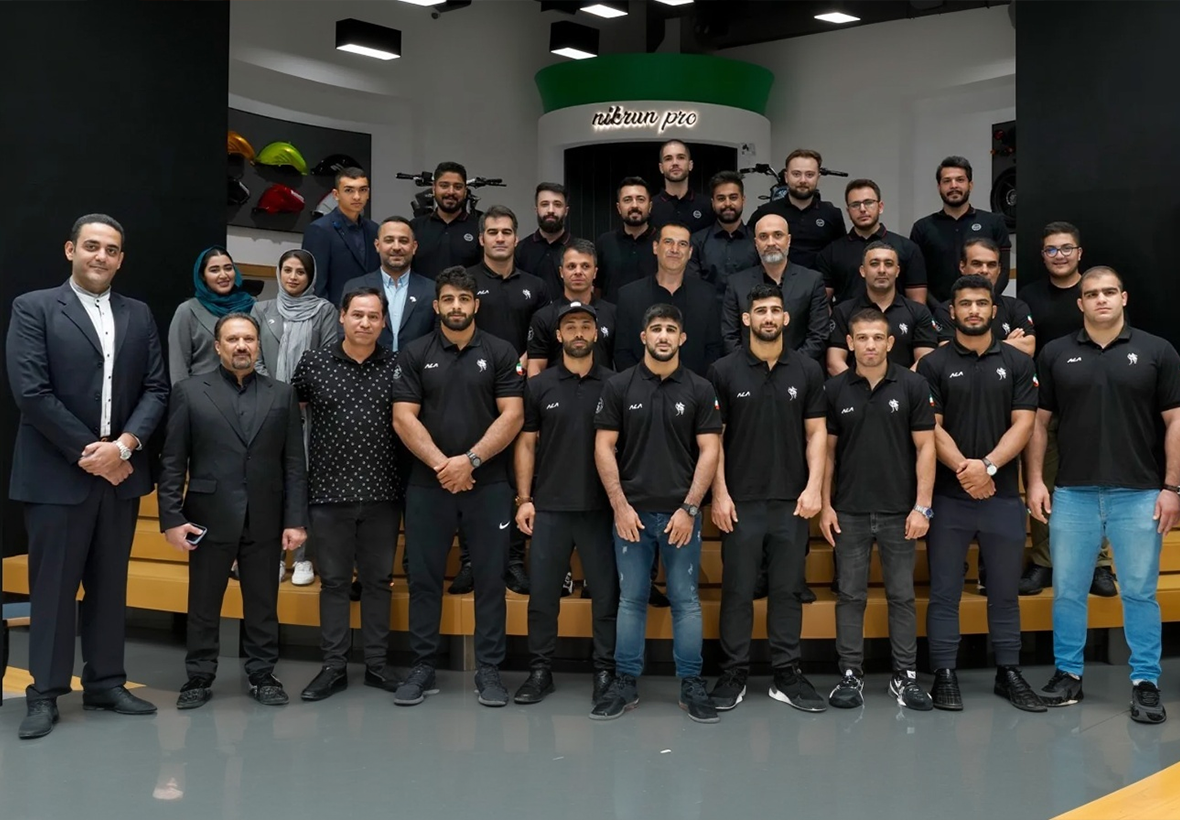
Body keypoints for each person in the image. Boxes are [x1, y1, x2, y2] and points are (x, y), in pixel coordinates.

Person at [8, 214, 169, 740]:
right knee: (53, 589)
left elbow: (156, 388)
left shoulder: (138, 314)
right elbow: (32, 392)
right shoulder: (34, 308)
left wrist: (123, 447)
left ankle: (105, 682)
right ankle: (45, 692)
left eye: (112, 249)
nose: (101, 256)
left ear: (121, 259)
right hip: (56, 475)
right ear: (70, 250)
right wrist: (93, 452)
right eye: (92, 246)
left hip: (120, 474)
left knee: (109, 584)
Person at [1028, 266, 1180, 725]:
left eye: (1109, 292)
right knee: (1068, 592)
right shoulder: (1056, 353)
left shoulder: (1157, 351)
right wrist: (1035, 481)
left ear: (1123, 297)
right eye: (1091, 293)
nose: (1101, 299)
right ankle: (1068, 674)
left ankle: (1145, 681)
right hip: (1072, 492)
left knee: (1139, 593)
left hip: (1139, 493)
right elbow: (1038, 423)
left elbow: (1175, 420)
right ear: (1080, 303)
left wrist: (1172, 487)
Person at [158, 313, 308, 709]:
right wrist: (171, 517)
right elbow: (173, 460)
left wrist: (295, 519)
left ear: (258, 345)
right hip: (207, 516)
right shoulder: (190, 392)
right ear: (217, 346)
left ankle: (262, 674)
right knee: (203, 604)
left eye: (249, 339)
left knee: (263, 603)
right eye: (233, 339)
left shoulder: (282, 394)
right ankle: (198, 676)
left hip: (266, 515)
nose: (242, 346)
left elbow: (294, 462)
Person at [391, 267, 525, 708]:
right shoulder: (415, 352)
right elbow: (403, 418)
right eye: (448, 299)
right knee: (424, 579)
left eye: (464, 299)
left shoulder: (501, 351)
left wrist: (470, 461)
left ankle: (489, 669)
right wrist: (442, 465)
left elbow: (513, 415)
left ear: (475, 305)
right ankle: (423, 666)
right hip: (428, 485)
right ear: (436, 305)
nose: (456, 307)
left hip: (489, 485)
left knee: (490, 579)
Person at [916, 274, 1044, 712]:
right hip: (948, 498)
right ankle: (944, 673)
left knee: (1004, 592)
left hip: (1002, 496)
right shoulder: (932, 365)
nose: (974, 310)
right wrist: (966, 470)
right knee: (945, 592)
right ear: (951, 312)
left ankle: (1009, 672)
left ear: (994, 310)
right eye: (965, 303)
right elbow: (930, 428)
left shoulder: (1018, 362)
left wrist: (986, 467)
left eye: (981, 303)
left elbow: (1024, 423)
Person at [591, 304, 722, 724]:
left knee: (686, 600)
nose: (663, 336)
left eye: (670, 329)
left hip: (681, 516)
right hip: (631, 515)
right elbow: (603, 447)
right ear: (644, 337)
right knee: (631, 599)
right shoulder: (618, 385)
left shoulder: (700, 388)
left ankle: (691, 683)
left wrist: (690, 508)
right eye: (656, 329)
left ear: (682, 338)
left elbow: (710, 450)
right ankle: (625, 681)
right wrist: (619, 505)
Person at [706, 284, 827, 713]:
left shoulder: (807, 369)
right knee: (737, 590)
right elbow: (714, 440)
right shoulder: (723, 370)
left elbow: (817, 433)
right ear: (746, 319)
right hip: (740, 502)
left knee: (787, 590)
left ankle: (787, 673)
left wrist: (813, 488)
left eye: (776, 310)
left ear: (786, 318)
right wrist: (719, 493)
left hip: (792, 502)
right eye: (761, 311)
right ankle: (733, 672)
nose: (769, 317)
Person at [821, 307, 936, 711]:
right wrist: (825, 506)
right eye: (862, 338)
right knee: (850, 596)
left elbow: (926, 448)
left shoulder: (914, 385)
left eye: (877, 338)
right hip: (849, 511)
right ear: (849, 343)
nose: (870, 345)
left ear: (889, 343)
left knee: (902, 597)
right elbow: (827, 454)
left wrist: (923, 507)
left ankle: (905, 676)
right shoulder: (834, 389)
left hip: (899, 512)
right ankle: (850, 674)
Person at [292, 287, 404, 701]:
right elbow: (289, 418)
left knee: (378, 583)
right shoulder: (314, 363)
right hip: (327, 494)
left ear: (384, 322)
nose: (365, 323)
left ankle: (377, 665)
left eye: (373, 316)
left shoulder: (397, 366)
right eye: (357, 314)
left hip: (383, 493)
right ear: (342, 316)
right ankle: (333, 667)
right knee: (335, 584)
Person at [512, 302, 618, 709]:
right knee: (543, 597)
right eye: (570, 326)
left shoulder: (616, 384)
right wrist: (525, 499)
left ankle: (605, 670)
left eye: (585, 326)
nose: (578, 333)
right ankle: (540, 671)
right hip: (551, 507)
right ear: (558, 335)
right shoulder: (539, 386)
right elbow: (526, 444)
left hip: (600, 509)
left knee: (605, 596)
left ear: (596, 334)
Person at [453, 204, 548, 594]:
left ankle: (513, 561)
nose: (500, 238)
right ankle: (470, 561)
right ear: (481, 238)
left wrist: (516, 365)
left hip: (519, 391)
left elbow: (541, 338)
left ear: (516, 238)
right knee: (470, 472)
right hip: (472, 390)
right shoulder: (467, 281)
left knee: (514, 478)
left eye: (506, 232)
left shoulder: (536, 285)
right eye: (492, 232)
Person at [1017, 222, 1113, 596]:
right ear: (1043, 256)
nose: (1060, 256)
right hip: (1044, 406)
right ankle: (1044, 562)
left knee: (1094, 485)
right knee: (1041, 482)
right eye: (1051, 250)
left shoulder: (1095, 292)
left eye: (1066, 248)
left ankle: (1098, 564)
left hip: (1091, 405)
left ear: (1079, 253)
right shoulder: (1029, 296)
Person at [251, 250, 338, 586]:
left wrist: (301, 394)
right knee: (270, 481)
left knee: (306, 479)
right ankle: (272, 555)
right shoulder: (261, 309)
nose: (293, 277)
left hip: (310, 410)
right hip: (268, 407)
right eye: (287, 270)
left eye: (300, 271)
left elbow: (329, 356)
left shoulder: (324, 310)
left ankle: (304, 558)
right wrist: (275, 394)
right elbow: (254, 355)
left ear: (310, 276)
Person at [614, 223, 722, 377]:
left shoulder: (707, 295)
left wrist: (693, 386)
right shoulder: (629, 296)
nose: (675, 249)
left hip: (694, 388)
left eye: (682, 244)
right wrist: (643, 385)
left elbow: (713, 349)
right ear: (655, 247)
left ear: (690, 252)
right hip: (640, 387)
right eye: (668, 242)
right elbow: (622, 353)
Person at [722, 214, 828, 360]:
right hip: (747, 370)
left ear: (788, 240)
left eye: (778, 235)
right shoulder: (736, 283)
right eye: (763, 236)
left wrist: (788, 367)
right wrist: (751, 367)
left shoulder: (812, 281)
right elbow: (729, 336)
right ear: (756, 243)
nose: (771, 242)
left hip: (798, 369)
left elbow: (818, 336)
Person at [909, 156, 1011, 304]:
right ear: (939, 187)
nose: (954, 185)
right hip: (936, 311)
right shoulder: (922, 228)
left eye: (960, 180)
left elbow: (1004, 270)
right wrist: (939, 310)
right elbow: (917, 277)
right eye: (947, 181)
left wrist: (983, 301)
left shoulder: (994, 222)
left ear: (970, 185)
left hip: (984, 308)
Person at [827, 241, 937, 377]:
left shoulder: (919, 312)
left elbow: (925, 360)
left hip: (905, 389)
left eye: (888, 264)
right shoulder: (843, 311)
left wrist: (901, 387)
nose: (882, 270)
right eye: (874, 264)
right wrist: (860, 386)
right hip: (854, 388)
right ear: (862, 271)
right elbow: (834, 362)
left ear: (897, 271)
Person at [816, 178, 927, 306]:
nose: (862, 209)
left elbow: (918, 304)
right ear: (848, 211)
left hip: (895, 318)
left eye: (868, 202)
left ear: (880, 207)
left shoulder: (908, 248)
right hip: (847, 318)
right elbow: (822, 305)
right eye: (855, 205)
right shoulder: (831, 252)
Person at [339, 216, 436, 352]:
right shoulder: (355, 286)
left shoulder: (431, 290)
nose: (396, 247)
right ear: (377, 245)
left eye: (403, 241)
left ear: (414, 247)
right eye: (389, 240)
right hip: (367, 364)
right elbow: (343, 334)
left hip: (417, 365)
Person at [932, 238, 1035, 357]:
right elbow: (949, 355)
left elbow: (1028, 348)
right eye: (977, 264)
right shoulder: (947, 309)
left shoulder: (1016, 307)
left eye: (991, 265)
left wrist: (971, 347)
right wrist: (1007, 345)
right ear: (962, 267)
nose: (984, 270)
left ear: (999, 270)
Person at [527, 239, 616, 376]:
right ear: (561, 272)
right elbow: (535, 367)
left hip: (604, 388)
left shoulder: (613, 314)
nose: (578, 272)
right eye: (571, 266)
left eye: (585, 266)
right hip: (555, 389)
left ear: (595, 272)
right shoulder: (543, 317)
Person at [168, 246, 255, 385]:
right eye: (214, 270)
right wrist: (183, 396)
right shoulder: (187, 310)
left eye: (228, 268)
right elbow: (178, 366)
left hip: (247, 390)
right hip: (201, 392)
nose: (223, 275)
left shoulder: (252, 306)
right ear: (203, 276)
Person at [746, 149, 846, 270]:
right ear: (786, 177)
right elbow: (750, 251)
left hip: (821, 280)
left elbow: (841, 255)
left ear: (818, 178)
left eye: (809, 175)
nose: (803, 180)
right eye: (796, 174)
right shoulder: (766, 213)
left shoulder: (832, 214)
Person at [302, 166, 380, 305]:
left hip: (368, 310)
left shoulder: (375, 230)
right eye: (349, 190)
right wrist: (327, 315)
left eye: (362, 190)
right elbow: (315, 285)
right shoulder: (319, 230)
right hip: (333, 312)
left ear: (368, 193)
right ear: (336, 194)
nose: (357, 196)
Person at [687, 171, 759, 303]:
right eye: (721, 198)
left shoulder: (757, 241)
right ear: (713, 203)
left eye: (733, 197)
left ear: (743, 200)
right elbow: (693, 287)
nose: (727, 204)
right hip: (708, 312)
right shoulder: (697, 242)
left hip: (748, 312)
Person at [410, 161, 482, 278]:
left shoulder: (479, 228)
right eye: (444, 186)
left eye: (458, 187)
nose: (451, 192)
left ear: (465, 191)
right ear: (434, 189)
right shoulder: (415, 227)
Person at [595, 176, 657, 303]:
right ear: (619, 208)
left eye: (640, 199)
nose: (634, 205)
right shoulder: (604, 243)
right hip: (613, 314)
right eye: (627, 200)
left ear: (650, 206)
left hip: (653, 314)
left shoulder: (663, 243)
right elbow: (596, 287)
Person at [515, 182, 579, 295]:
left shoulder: (580, 250)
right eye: (544, 204)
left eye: (557, 204)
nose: (551, 210)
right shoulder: (520, 249)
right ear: (536, 210)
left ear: (566, 211)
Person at [649, 140, 712, 235]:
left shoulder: (707, 206)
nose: (675, 163)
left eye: (681, 157)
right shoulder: (650, 207)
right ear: (661, 168)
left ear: (690, 165)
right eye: (668, 159)